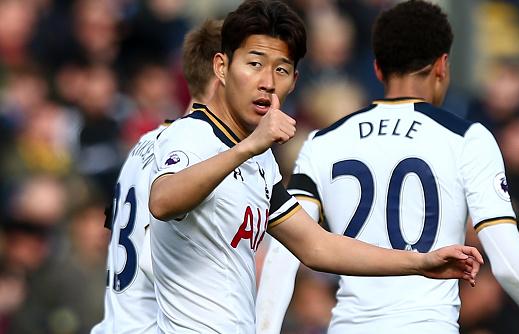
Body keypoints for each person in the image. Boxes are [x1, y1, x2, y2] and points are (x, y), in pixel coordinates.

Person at [147, 1, 483, 333]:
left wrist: (420, 262)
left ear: (294, 81)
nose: (267, 81)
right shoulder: (190, 132)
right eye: (254, 63)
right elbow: (163, 200)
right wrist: (250, 145)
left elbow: (316, 245)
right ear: (221, 67)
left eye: (281, 69)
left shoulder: (260, 161)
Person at [256, 1, 519, 334]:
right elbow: (510, 264)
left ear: (378, 69)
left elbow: (283, 254)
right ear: (442, 65)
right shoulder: (467, 138)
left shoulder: (323, 141)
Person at [91, 19, 223, 334]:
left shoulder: (147, 142)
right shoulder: (200, 152)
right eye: (254, 67)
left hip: (120, 321)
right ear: (223, 73)